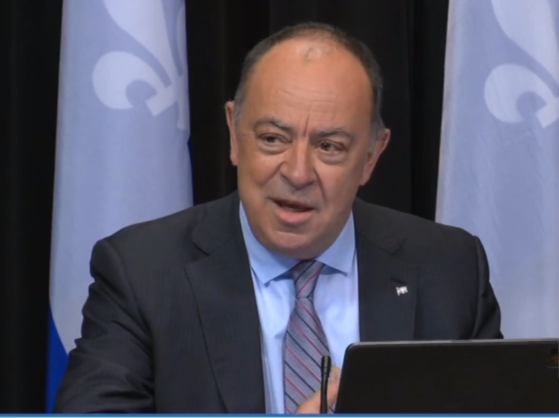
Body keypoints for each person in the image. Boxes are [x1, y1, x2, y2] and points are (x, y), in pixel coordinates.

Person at [54, 22, 502, 413]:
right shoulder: (142, 273)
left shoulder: (450, 268)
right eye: (272, 138)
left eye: (329, 146)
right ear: (234, 134)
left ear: (371, 156)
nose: (297, 172)